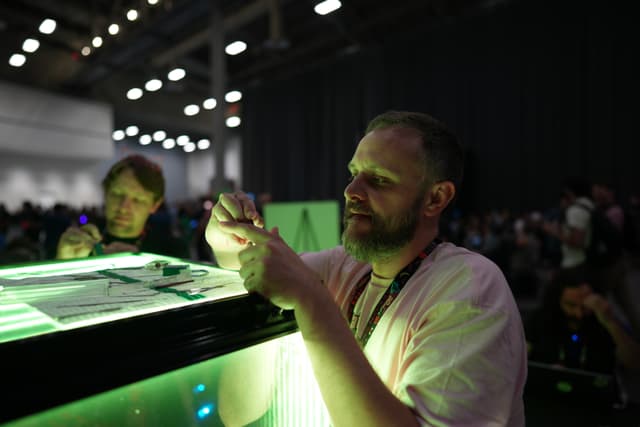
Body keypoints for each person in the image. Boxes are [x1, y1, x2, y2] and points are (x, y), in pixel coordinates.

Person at [206, 111, 527, 426]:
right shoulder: (346, 265)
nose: (351, 191)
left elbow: (300, 286)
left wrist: (312, 300)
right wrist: (225, 238)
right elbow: (250, 267)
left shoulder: (470, 289)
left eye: (379, 179)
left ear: (436, 198)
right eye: (353, 174)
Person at [56, 154, 189, 260]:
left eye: (138, 199)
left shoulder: (172, 251)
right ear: (105, 193)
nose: (124, 207)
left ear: (155, 205)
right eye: (117, 194)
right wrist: (62, 263)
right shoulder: (79, 243)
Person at [525, 264, 640, 373]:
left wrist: (608, 321)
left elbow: (634, 363)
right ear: (557, 300)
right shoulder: (540, 319)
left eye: (585, 306)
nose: (578, 313)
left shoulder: (603, 321)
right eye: (571, 305)